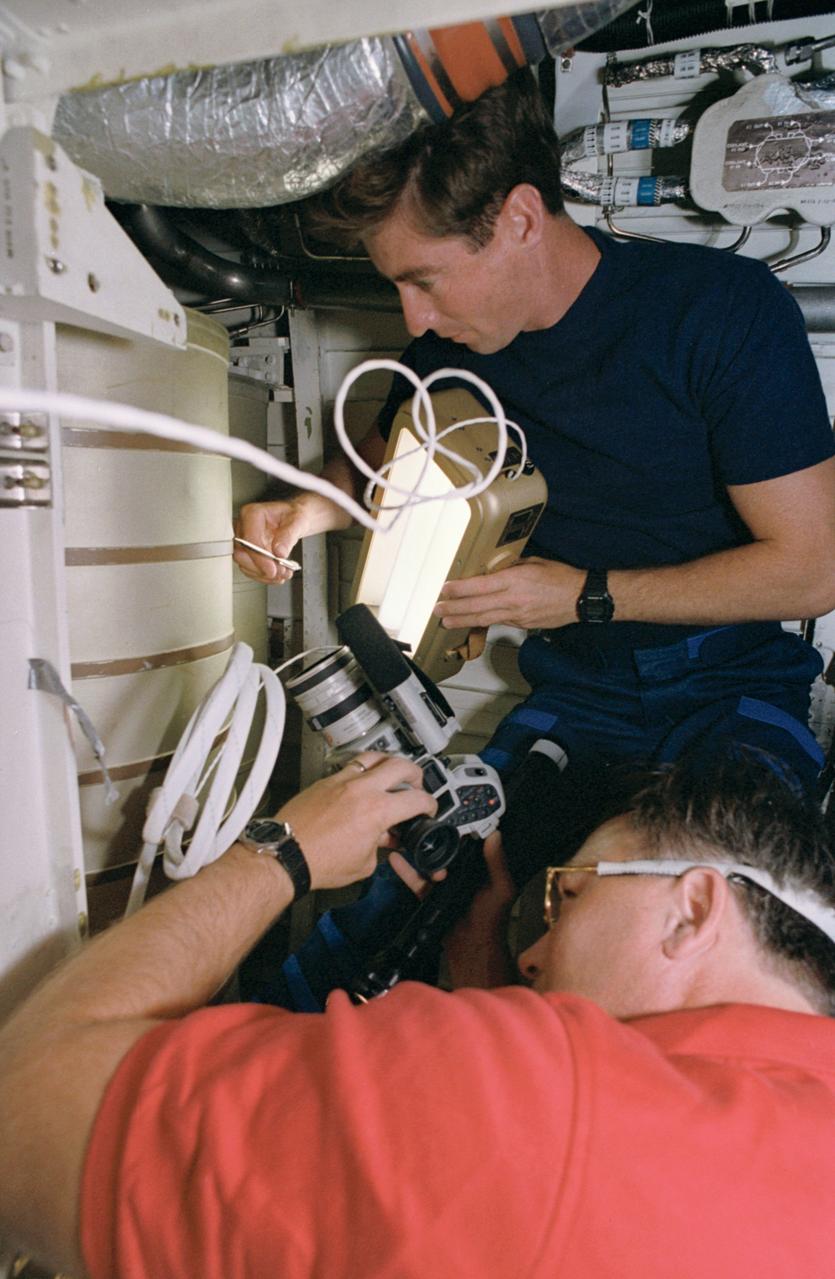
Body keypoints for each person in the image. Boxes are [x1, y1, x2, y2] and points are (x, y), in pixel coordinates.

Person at [234, 70, 835, 884]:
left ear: (519, 218)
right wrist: (301, 510)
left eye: (423, 280)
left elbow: (810, 569)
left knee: (714, 902)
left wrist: (585, 594)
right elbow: (368, 470)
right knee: (426, 885)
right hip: (578, 690)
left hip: (727, 685)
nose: (411, 317)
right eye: (395, 285)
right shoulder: (447, 355)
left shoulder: (716, 311)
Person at [2, 750, 835, 1277]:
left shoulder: (544, 1106)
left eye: (566, 895)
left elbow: (23, 1105)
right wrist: (479, 982)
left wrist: (280, 852)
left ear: (690, 912)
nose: (534, 952)